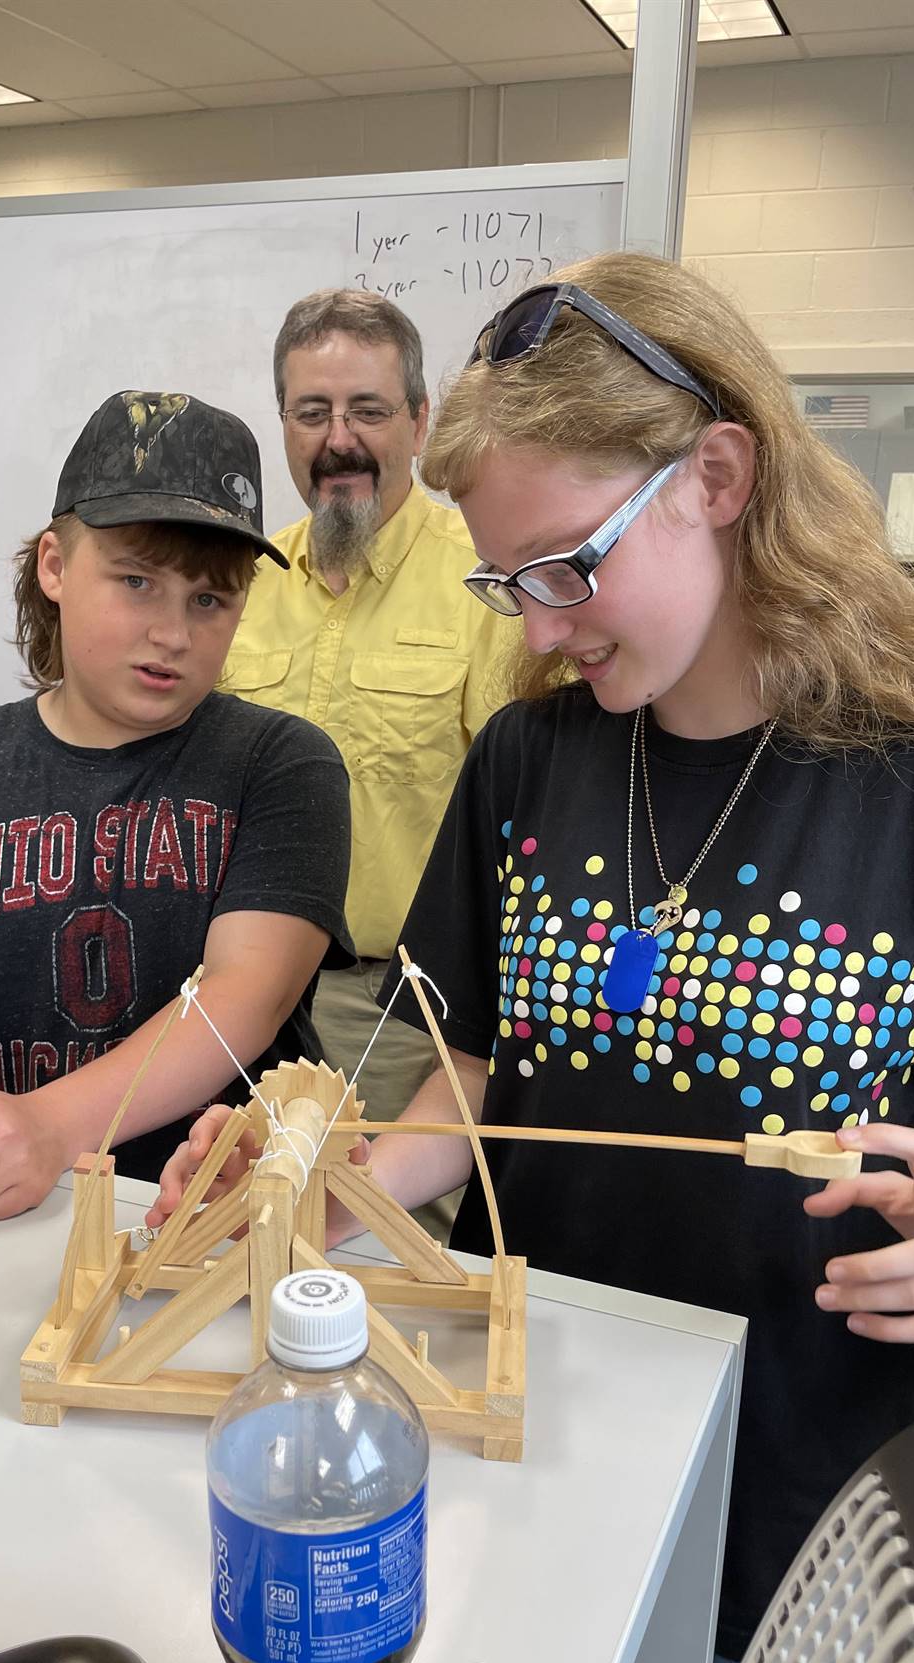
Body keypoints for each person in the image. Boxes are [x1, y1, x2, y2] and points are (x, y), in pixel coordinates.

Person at [149, 258, 914, 1663]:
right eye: (503, 580)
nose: (535, 628)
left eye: (568, 569)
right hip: (524, 1426)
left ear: (715, 475)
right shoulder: (529, 763)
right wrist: (323, 1173)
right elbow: (472, 1076)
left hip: (802, 1477)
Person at [0, 390, 351, 1250]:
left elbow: (246, 997)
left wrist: (48, 1128)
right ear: (53, 566)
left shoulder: (285, 764)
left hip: (212, 1221)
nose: (172, 632)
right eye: (136, 581)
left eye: (210, 600)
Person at [223, 290, 511, 1230]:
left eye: (368, 411)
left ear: (420, 423)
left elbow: (523, 823)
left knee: (379, 1252)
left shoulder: (486, 585)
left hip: (396, 1016)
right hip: (239, 993)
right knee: (246, 1228)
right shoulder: (242, 585)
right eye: (313, 413)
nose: (339, 439)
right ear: (285, 426)